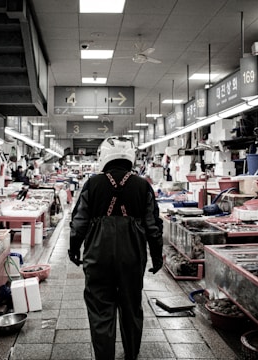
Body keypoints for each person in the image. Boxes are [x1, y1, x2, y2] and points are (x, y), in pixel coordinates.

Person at [69, 136, 163, 360]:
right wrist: (157, 256)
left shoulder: (92, 184)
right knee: (131, 307)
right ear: (131, 156)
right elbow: (153, 226)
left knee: (101, 309)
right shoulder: (143, 185)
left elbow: (79, 221)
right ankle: (131, 355)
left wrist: (74, 248)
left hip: (98, 256)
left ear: (104, 157)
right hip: (132, 256)